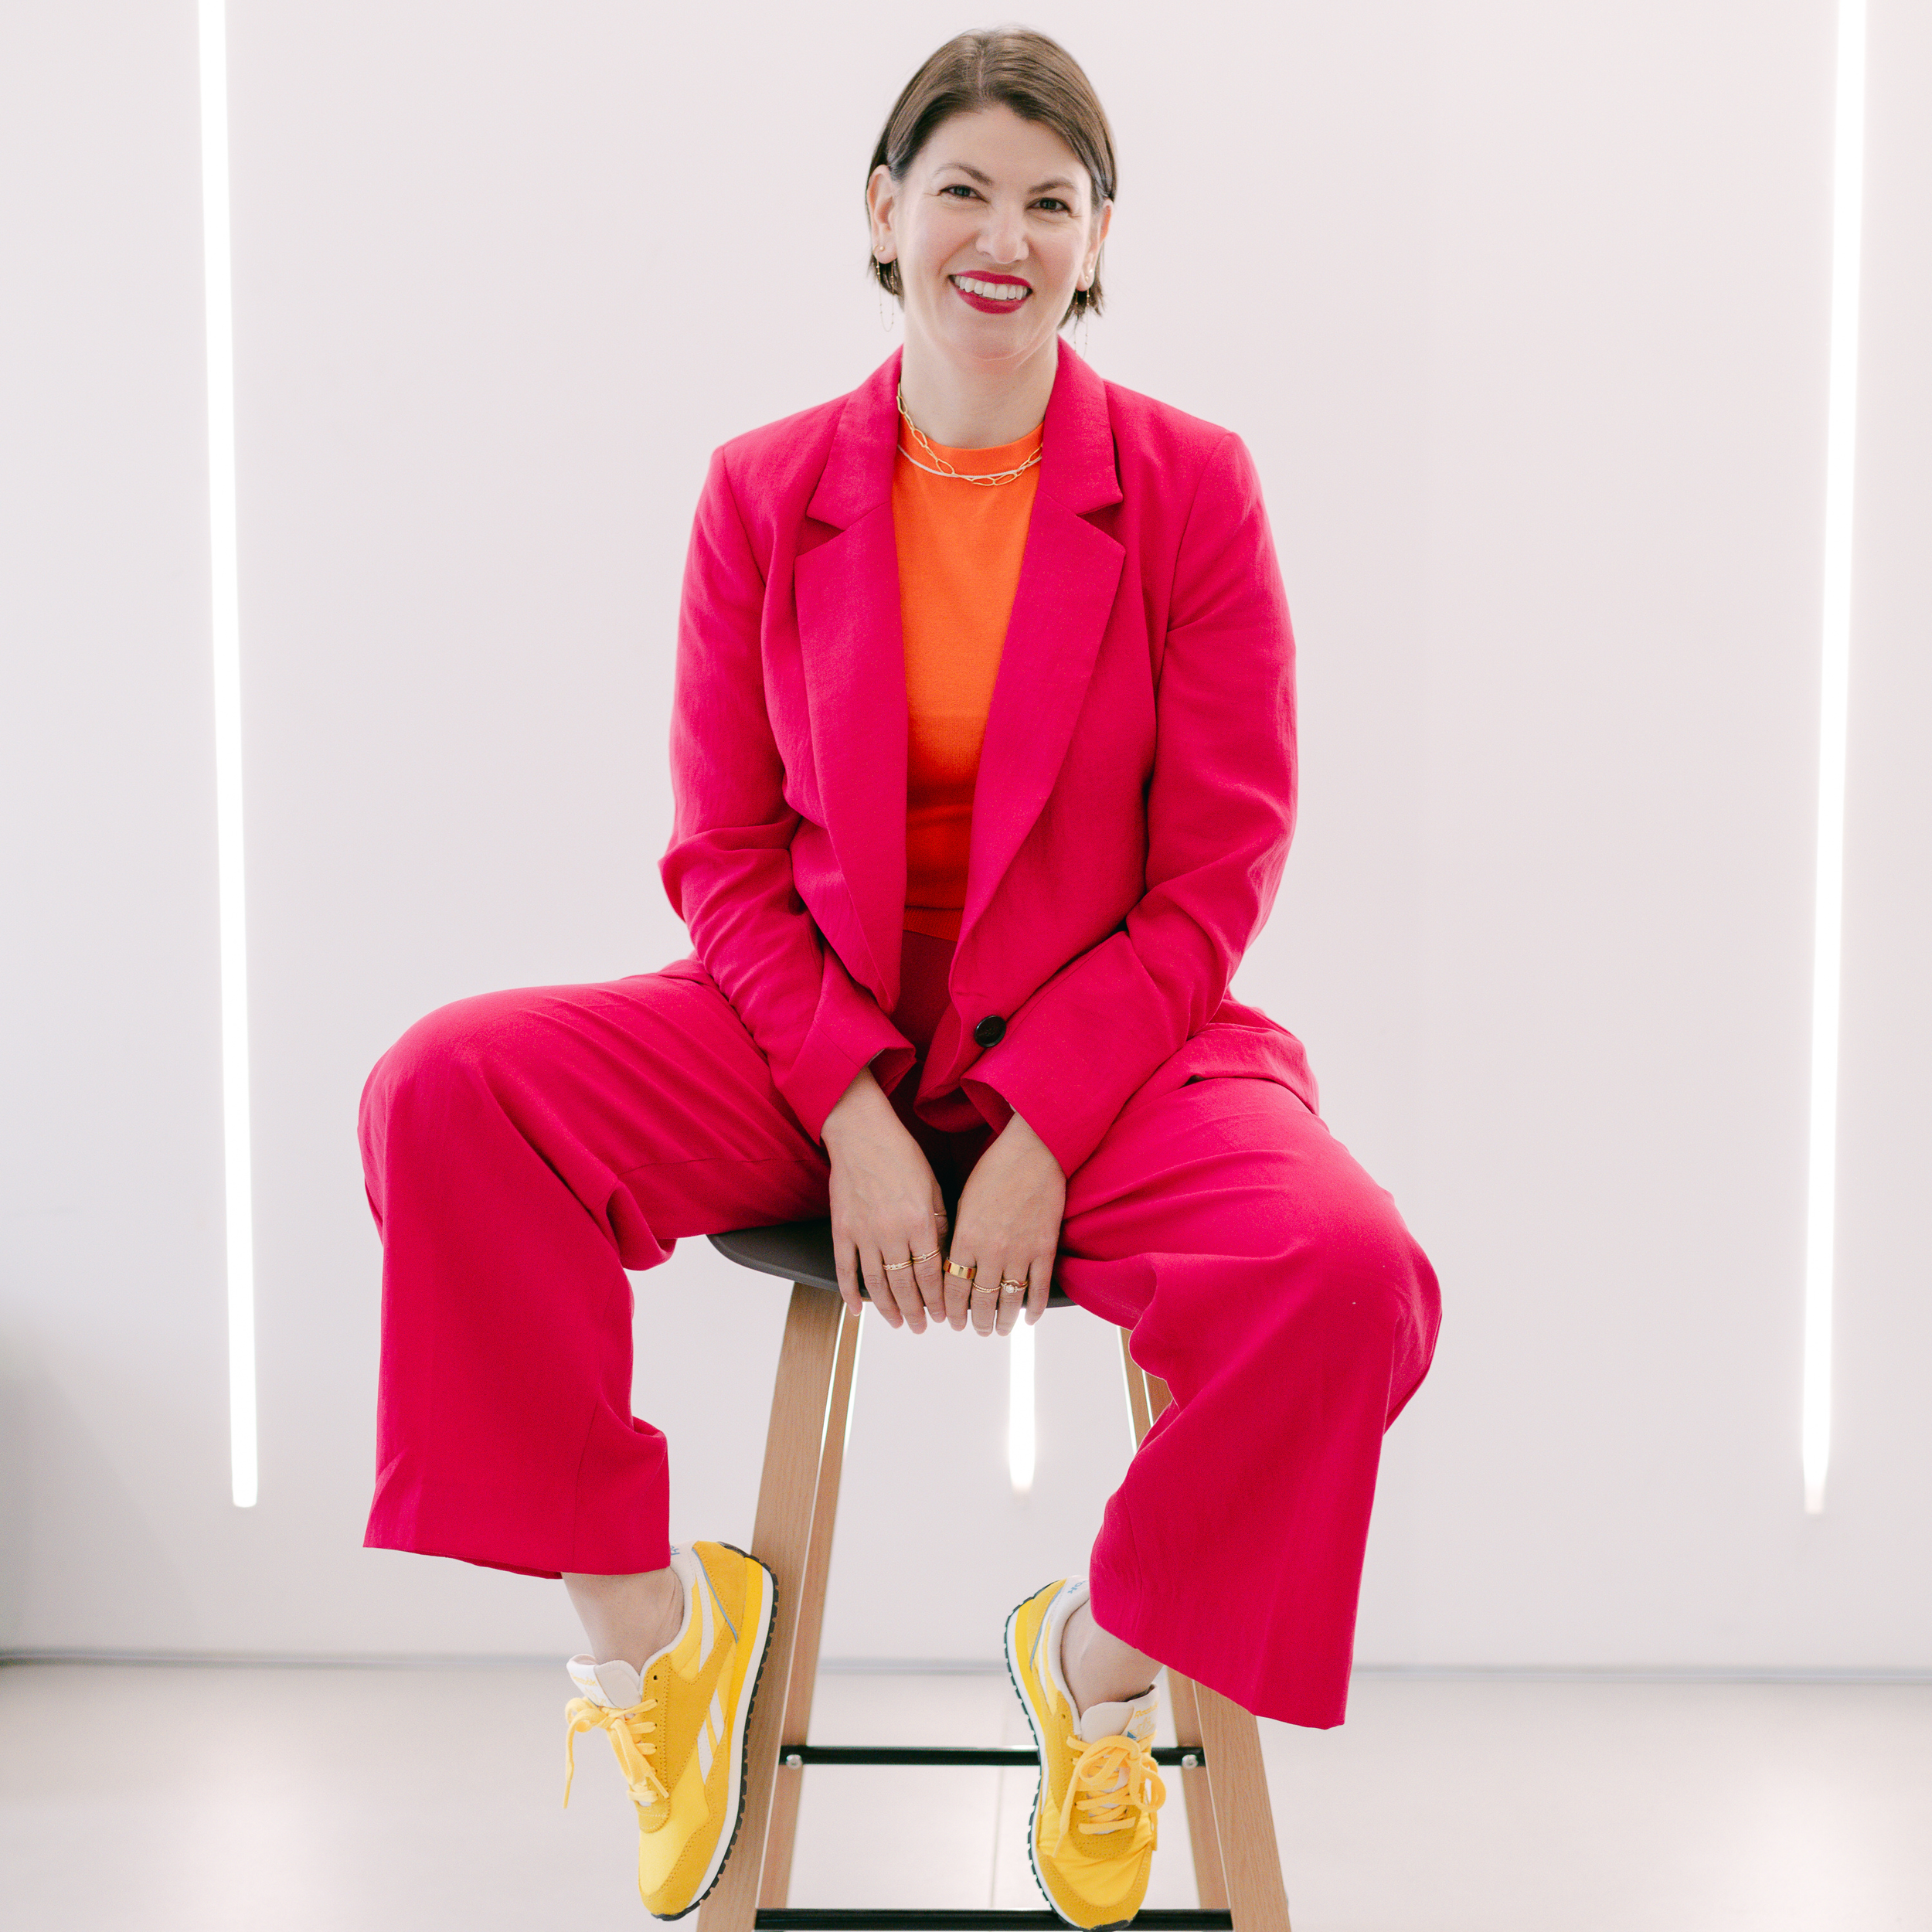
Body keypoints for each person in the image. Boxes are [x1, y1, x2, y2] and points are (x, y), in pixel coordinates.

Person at [358, 26, 1440, 1928]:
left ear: (1100, 240)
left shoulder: (1191, 487)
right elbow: (721, 856)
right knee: (446, 1084)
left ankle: (1097, 1668)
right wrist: (856, 1116)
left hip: (1120, 1046)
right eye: (962, 189)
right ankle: (653, 1636)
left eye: (1049, 200)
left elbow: (1215, 870)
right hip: (812, 1031)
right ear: (882, 211)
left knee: (1348, 1274)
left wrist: (1030, 1128)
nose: (1000, 235)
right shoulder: (761, 488)